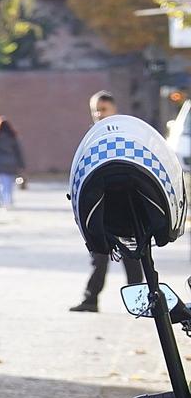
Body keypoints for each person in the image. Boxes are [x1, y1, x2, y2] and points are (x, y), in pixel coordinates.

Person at [74, 91, 142, 312]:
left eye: (103, 110)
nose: (99, 115)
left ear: (114, 109)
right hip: (99, 207)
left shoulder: (126, 134)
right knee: (99, 256)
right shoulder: (91, 138)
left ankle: (140, 302)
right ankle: (90, 300)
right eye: (95, 110)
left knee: (133, 256)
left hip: (126, 205)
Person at [0, 115, 25, 209]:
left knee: (0, 184)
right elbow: (18, 152)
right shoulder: (13, 138)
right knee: (9, 184)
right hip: (11, 163)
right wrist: (22, 165)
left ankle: (3, 203)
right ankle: (9, 201)